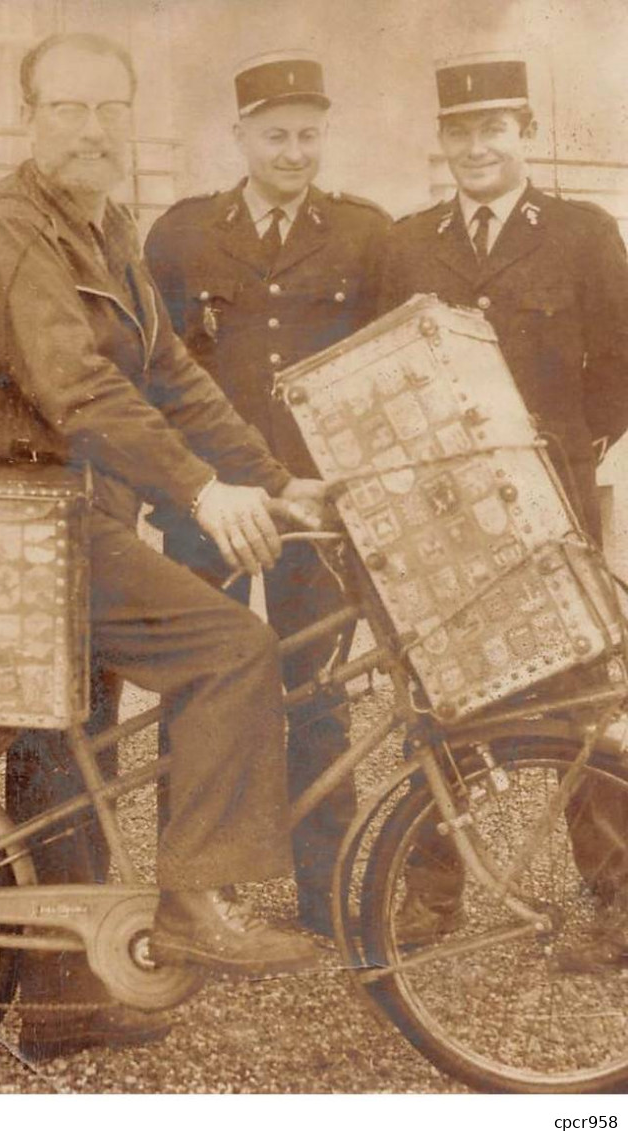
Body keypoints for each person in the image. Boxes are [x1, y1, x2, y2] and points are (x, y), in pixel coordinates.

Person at [0, 30, 332, 1060]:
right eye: (68, 108)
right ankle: (194, 897)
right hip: (8, 511)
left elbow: (175, 378)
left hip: (72, 509)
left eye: (110, 109)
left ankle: (60, 1004)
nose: (92, 129)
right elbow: (78, 387)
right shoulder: (8, 229)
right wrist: (201, 490)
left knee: (75, 747)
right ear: (28, 118)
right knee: (226, 648)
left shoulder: (102, 226)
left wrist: (275, 482)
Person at [377, 53, 628, 950]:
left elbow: (621, 367)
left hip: (550, 504)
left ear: (524, 132)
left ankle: (612, 900)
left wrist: (564, 449)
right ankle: (431, 892)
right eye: (458, 130)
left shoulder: (581, 233)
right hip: (439, 513)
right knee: (440, 694)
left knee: (579, 698)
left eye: (492, 127)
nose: (475, 145)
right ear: (440, 142)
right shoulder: (406, 243)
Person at [145, 51, 390, 937]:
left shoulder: (367, 235)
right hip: (206, 501)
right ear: (238, 136)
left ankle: (324, 890)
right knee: (199, 688)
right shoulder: (179, 235)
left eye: (309, 136)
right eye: (276, 135)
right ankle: (200, 887)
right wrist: (182, 484)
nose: (294, 153)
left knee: (316, 691)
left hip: (314, 505)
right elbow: (151, 375)